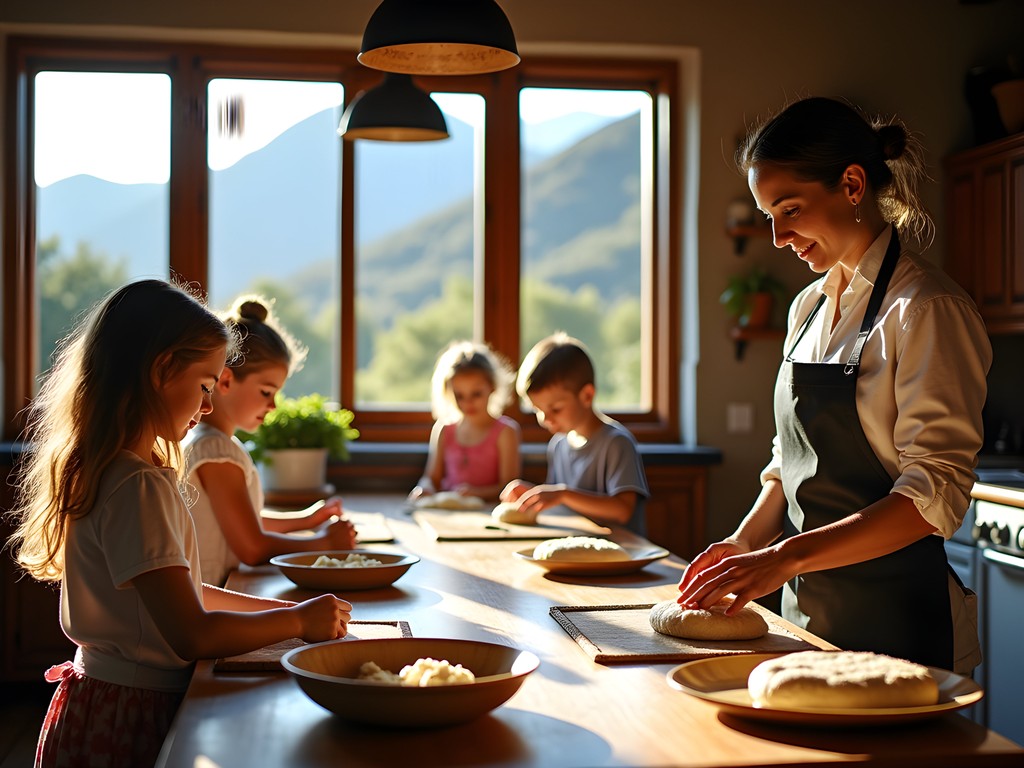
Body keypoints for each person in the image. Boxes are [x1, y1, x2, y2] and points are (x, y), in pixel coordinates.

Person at [676, 97, 991, 674]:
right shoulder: (807, 309)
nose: (776, 236)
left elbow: (933, 494)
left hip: (903, 628)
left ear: (851, 185)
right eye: (767, 214)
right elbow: (788, 466)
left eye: (789, 209)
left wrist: (783, 558)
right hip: (805, 623)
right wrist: (745, 545)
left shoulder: (925, 309)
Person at [6, 280, 351, 767]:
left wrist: (284, 614)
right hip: (131, 712)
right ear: (162, 371)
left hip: (103, 700)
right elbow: (191, 632)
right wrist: (294, 620)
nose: (208, 406)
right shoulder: (136, 486)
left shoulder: (109, 469)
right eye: (206, 386)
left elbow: (187, 591)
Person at [182, 295, 356, 586]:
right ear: (225, 381)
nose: (273, 406)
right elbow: (252, 547)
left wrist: (306, 519)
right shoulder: (216, 451)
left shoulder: (214, 443)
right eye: (266, 392)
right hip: (215, 600)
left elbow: (243, 522)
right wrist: (323, 544)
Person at [500, 332, 649, 533]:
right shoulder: (559, 444)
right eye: (538, 410)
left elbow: (622, 510)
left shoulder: (616, 443)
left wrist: (562, 494)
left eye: (556, 409)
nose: (545, 419)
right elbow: (558, 504)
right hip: (576, 548)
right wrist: (534, 493)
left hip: (622, 553)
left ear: (587, 396)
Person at [408, 340, 521, 503]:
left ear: (492, 387)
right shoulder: (444, 429)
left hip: (487, 514)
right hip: (448, 513)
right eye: (459, 396)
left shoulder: (506, 432)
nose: (468, 403)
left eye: (476, 394)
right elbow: (431, 478)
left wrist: (477, 493)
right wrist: (423, 488)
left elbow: (509, 487)